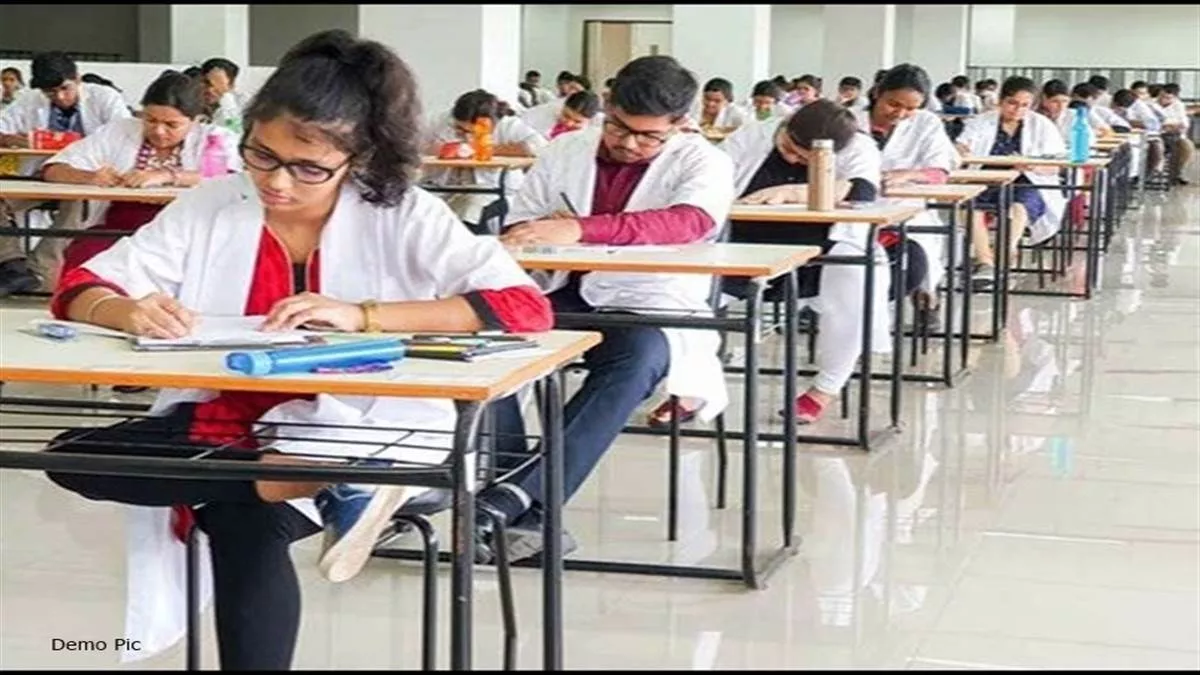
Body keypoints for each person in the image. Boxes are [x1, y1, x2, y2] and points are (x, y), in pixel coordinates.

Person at [41, 29, 552, 670]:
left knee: (238, 522)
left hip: (373, 421)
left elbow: (523, 306)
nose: (277, 182)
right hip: (236, 420)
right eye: (262, 155)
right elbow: (82, 284)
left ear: (359, 157)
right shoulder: (215, 203)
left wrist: (362, 315)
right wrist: (125, 309)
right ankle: (328, 481)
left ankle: (334, 474)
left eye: (308, 168)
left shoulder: (403, 213)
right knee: (72, 458)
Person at [479, 55, 734, 562]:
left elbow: (687, 222)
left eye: (649, 137)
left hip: (645, 299)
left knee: (637, 358)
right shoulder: (566, 149)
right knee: (490, 341)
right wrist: (542, 231)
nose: (630, 143)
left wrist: (579, 228)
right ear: (608, 105)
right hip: (560, 288)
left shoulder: (702, 161)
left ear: (679, 124)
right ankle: (518, 503)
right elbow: (522, 219)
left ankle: (512, 502)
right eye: (619, 127)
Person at [714, 99, 888, 424]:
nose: (792, 159)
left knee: (856, 277)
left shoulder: (858, 146)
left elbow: (863, 191)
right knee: (688, 295)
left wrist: (793, 192)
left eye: (804, 159)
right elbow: (711, 175)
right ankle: (693, 388)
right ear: (786, 125)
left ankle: (825, 389)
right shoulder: (752, 135)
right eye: (788, 149)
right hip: (744, 243)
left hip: (821, 250)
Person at [41, 71, 241, 276]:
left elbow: (227, 177)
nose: (159, 131)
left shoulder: (213, 138)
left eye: (171, 125)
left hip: (182, 231)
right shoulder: (120, 131)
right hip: (121, 228)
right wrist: (90, 177)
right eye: (151, 120)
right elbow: (54, 168)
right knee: (86, 254)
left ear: (195, 120)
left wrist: (166, 175)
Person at [0, 50, 132, 296]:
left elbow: (124, 137)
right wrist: (10, 139)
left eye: (65, 89)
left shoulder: (104, 98)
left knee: (76, 206)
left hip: (85, 179)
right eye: (50, 93)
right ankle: (13, 264)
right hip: (41, 177)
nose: (60, 97)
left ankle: (39, 268)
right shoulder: (30, 101)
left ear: (78, 79)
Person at [854, 64, 961, 329]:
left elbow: (940, 170)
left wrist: (908, 174)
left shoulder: (926, 123)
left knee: (921, 249)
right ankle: (830, 302)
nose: (900, 114)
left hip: (906, 205)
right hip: (852, 204)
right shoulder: (848, 120)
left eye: (911, 108)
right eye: (893, 104)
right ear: (877, 93)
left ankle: (926, 299)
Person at [956, 76, 1067, 289]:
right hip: (985, 179)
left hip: (1027, 182)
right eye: (1012, 103)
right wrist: (961, 150)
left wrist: (1031, 166)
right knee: (970, 206)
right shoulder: (982, 122)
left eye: (1024, 105)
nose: (1017, 110)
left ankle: (1003, 254)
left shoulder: (1041, 125)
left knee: (1018, 208)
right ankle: (985, 262)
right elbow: (962, 146)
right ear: (1001, 100)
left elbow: (1056, 166)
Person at [422, 88, 547, 226]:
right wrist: (436, 149)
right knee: (423, 210)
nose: (467, 136)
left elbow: (539, 146)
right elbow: (413, 143)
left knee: (470, 209)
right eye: (460, 130)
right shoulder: (440, 120)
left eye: (474, 132)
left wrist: (483, 149)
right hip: (443, 187)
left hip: (489, 189)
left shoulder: (508, 125)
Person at [1156, 82, 1194, 185]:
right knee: (1158, 145)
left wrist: (1168, 126)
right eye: (1161, 96)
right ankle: (1155, 169)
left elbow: (1184, 124)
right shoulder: (1151, 104)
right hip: (1157, 135)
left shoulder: (1178, 106)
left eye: (1168, 98)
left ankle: (1177, 173)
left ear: (1175, 98)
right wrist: (1171, 125)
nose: (1163, 100)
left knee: (1187, 147)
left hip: (1175, 136)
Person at [200, 57, 244, 132]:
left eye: (219, 85)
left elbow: (235, 131)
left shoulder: (236, 111)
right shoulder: (189, 104)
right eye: (207, 83)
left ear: (231, 86)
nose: (210, 90)